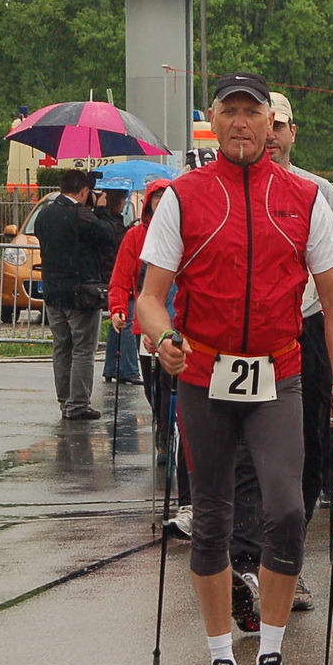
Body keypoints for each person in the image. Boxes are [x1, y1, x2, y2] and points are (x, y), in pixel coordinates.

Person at [135, 72, 333, 665]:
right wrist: (165, 336)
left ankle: (270, 658)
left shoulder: (304, 197)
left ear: (271, 123)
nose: (240, 122)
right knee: (212, 514)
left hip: (277, 375)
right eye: (228, 111)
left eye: (251, 112)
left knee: (287, 509)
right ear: (213, 120)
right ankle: (220, 664)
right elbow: (150, 297)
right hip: (205, 376)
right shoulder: (183, 196)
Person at [265, 91, 333, 607]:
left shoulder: (317, 190)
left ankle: (288, 563)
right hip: (250, 339)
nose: (274, 135)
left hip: (308, 328)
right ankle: (243, 558)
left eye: (282, 126)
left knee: (306, 449)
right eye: (268, 124)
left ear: (292, 132)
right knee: (248, 453)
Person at [109, 178, 192, 533]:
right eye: (155, 198)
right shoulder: (135, 237)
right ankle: (162, 431)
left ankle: (174, 437)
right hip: (149, 330)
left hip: (185, 333)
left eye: (165, 198)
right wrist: (117, 308)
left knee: (181, 396)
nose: (160, 204)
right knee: (155, 392)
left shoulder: (185, 232)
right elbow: (123, 278)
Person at [36, 169, 115, 420]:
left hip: (52, 292)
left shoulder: (44, 213)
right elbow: (107, 234)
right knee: (82, 349)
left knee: (61, 348)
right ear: (83, 192)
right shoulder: (79, 214)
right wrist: (101, 208)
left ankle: (64, 401)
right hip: (80, 293)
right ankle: (78, 404)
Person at [97, 182, 139, 385]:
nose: (124, 205)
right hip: (116, 277)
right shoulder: (112, 224)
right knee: (126, 319)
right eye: (123, 201)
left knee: (118, 322)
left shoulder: (107, 221)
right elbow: (117, 247)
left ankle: (111, 366)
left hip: (107, 275)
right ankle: (128, 369)